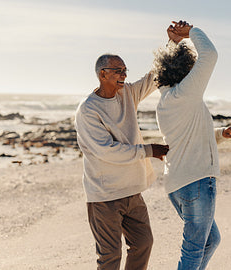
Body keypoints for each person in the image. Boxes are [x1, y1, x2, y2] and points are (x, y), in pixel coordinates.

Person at [153, 20, 231, 270]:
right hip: (196, 183)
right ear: (187, 71)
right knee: (192, 252)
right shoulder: (186, 94)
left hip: (178, 185)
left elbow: (192, 136)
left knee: (211, 240)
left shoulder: (168, 98)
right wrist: (191, 33)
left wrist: (221, 133)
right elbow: (210, 55)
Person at [74, 49, 169, 269]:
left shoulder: (127, 94)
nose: (124, 75)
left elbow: (152, 78)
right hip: (104, 195)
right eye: (118, 71)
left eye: (125, 70)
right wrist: (148, 150)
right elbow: (107, 150)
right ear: (102, 74)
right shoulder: (87, 110)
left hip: (132, 191)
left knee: (144, 243)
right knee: (110, 257)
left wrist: (171, 44)